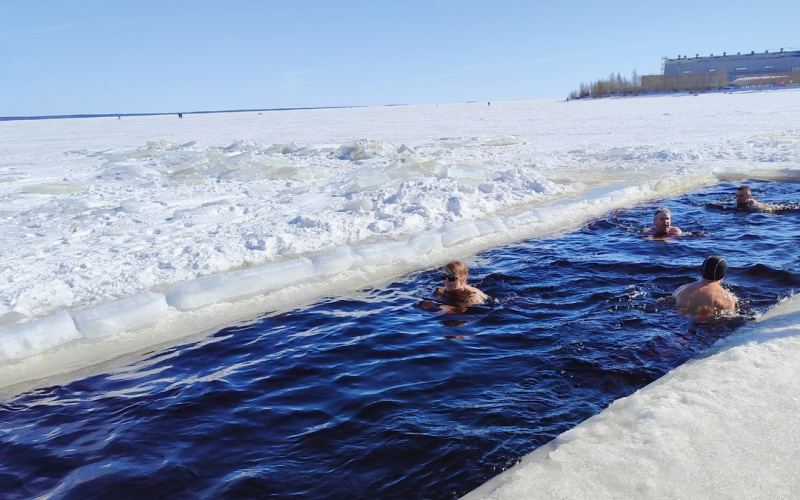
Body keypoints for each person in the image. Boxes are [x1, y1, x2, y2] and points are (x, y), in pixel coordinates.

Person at [672, 255, 738, 322]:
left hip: (682, 320)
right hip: (710, 326)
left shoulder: (680, 290)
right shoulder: (728, 298)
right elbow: (729, 318)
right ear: (722, 275)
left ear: (702, 271)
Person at [420, 261, 489, 313]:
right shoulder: (443, 290)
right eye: (444, 277)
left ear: (463, 280)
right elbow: (436, 301)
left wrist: (446, 310)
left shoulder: (473, 297)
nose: (446, 281)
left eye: (451, 278)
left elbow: (463, 310)